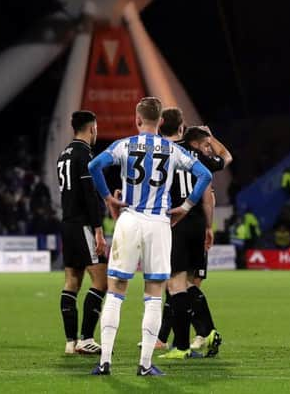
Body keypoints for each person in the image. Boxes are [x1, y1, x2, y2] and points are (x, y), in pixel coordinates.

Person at [87, 97, 212, 376]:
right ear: (161, 122)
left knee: (117, 290)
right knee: (154, 292)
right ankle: (144, 364)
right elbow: (204, 175)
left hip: (129, 219)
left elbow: (94, 166)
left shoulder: (124, 145)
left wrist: (108, 197)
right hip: (159, 222)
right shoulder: (173, 150)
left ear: (137, 119)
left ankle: (105, 361)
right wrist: (187, 206)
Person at [156, 110, 231, 359]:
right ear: (182, 128)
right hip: (197, 221)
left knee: (175, 284)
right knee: (188, 283)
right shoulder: (196, 153)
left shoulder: (159, 152)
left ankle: (185, 344)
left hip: (174, 220)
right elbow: (225, 159)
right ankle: (202, 334)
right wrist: (210, 136)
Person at [57, 110, 107, 355]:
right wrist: (98, 230)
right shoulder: (84, 154)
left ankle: (70, 342)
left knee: (72, 282)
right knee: (101, 281)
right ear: (92, 128)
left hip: (67, 223)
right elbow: (88, 194)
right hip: (83, 225)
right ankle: (86, 338)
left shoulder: (63, 154)